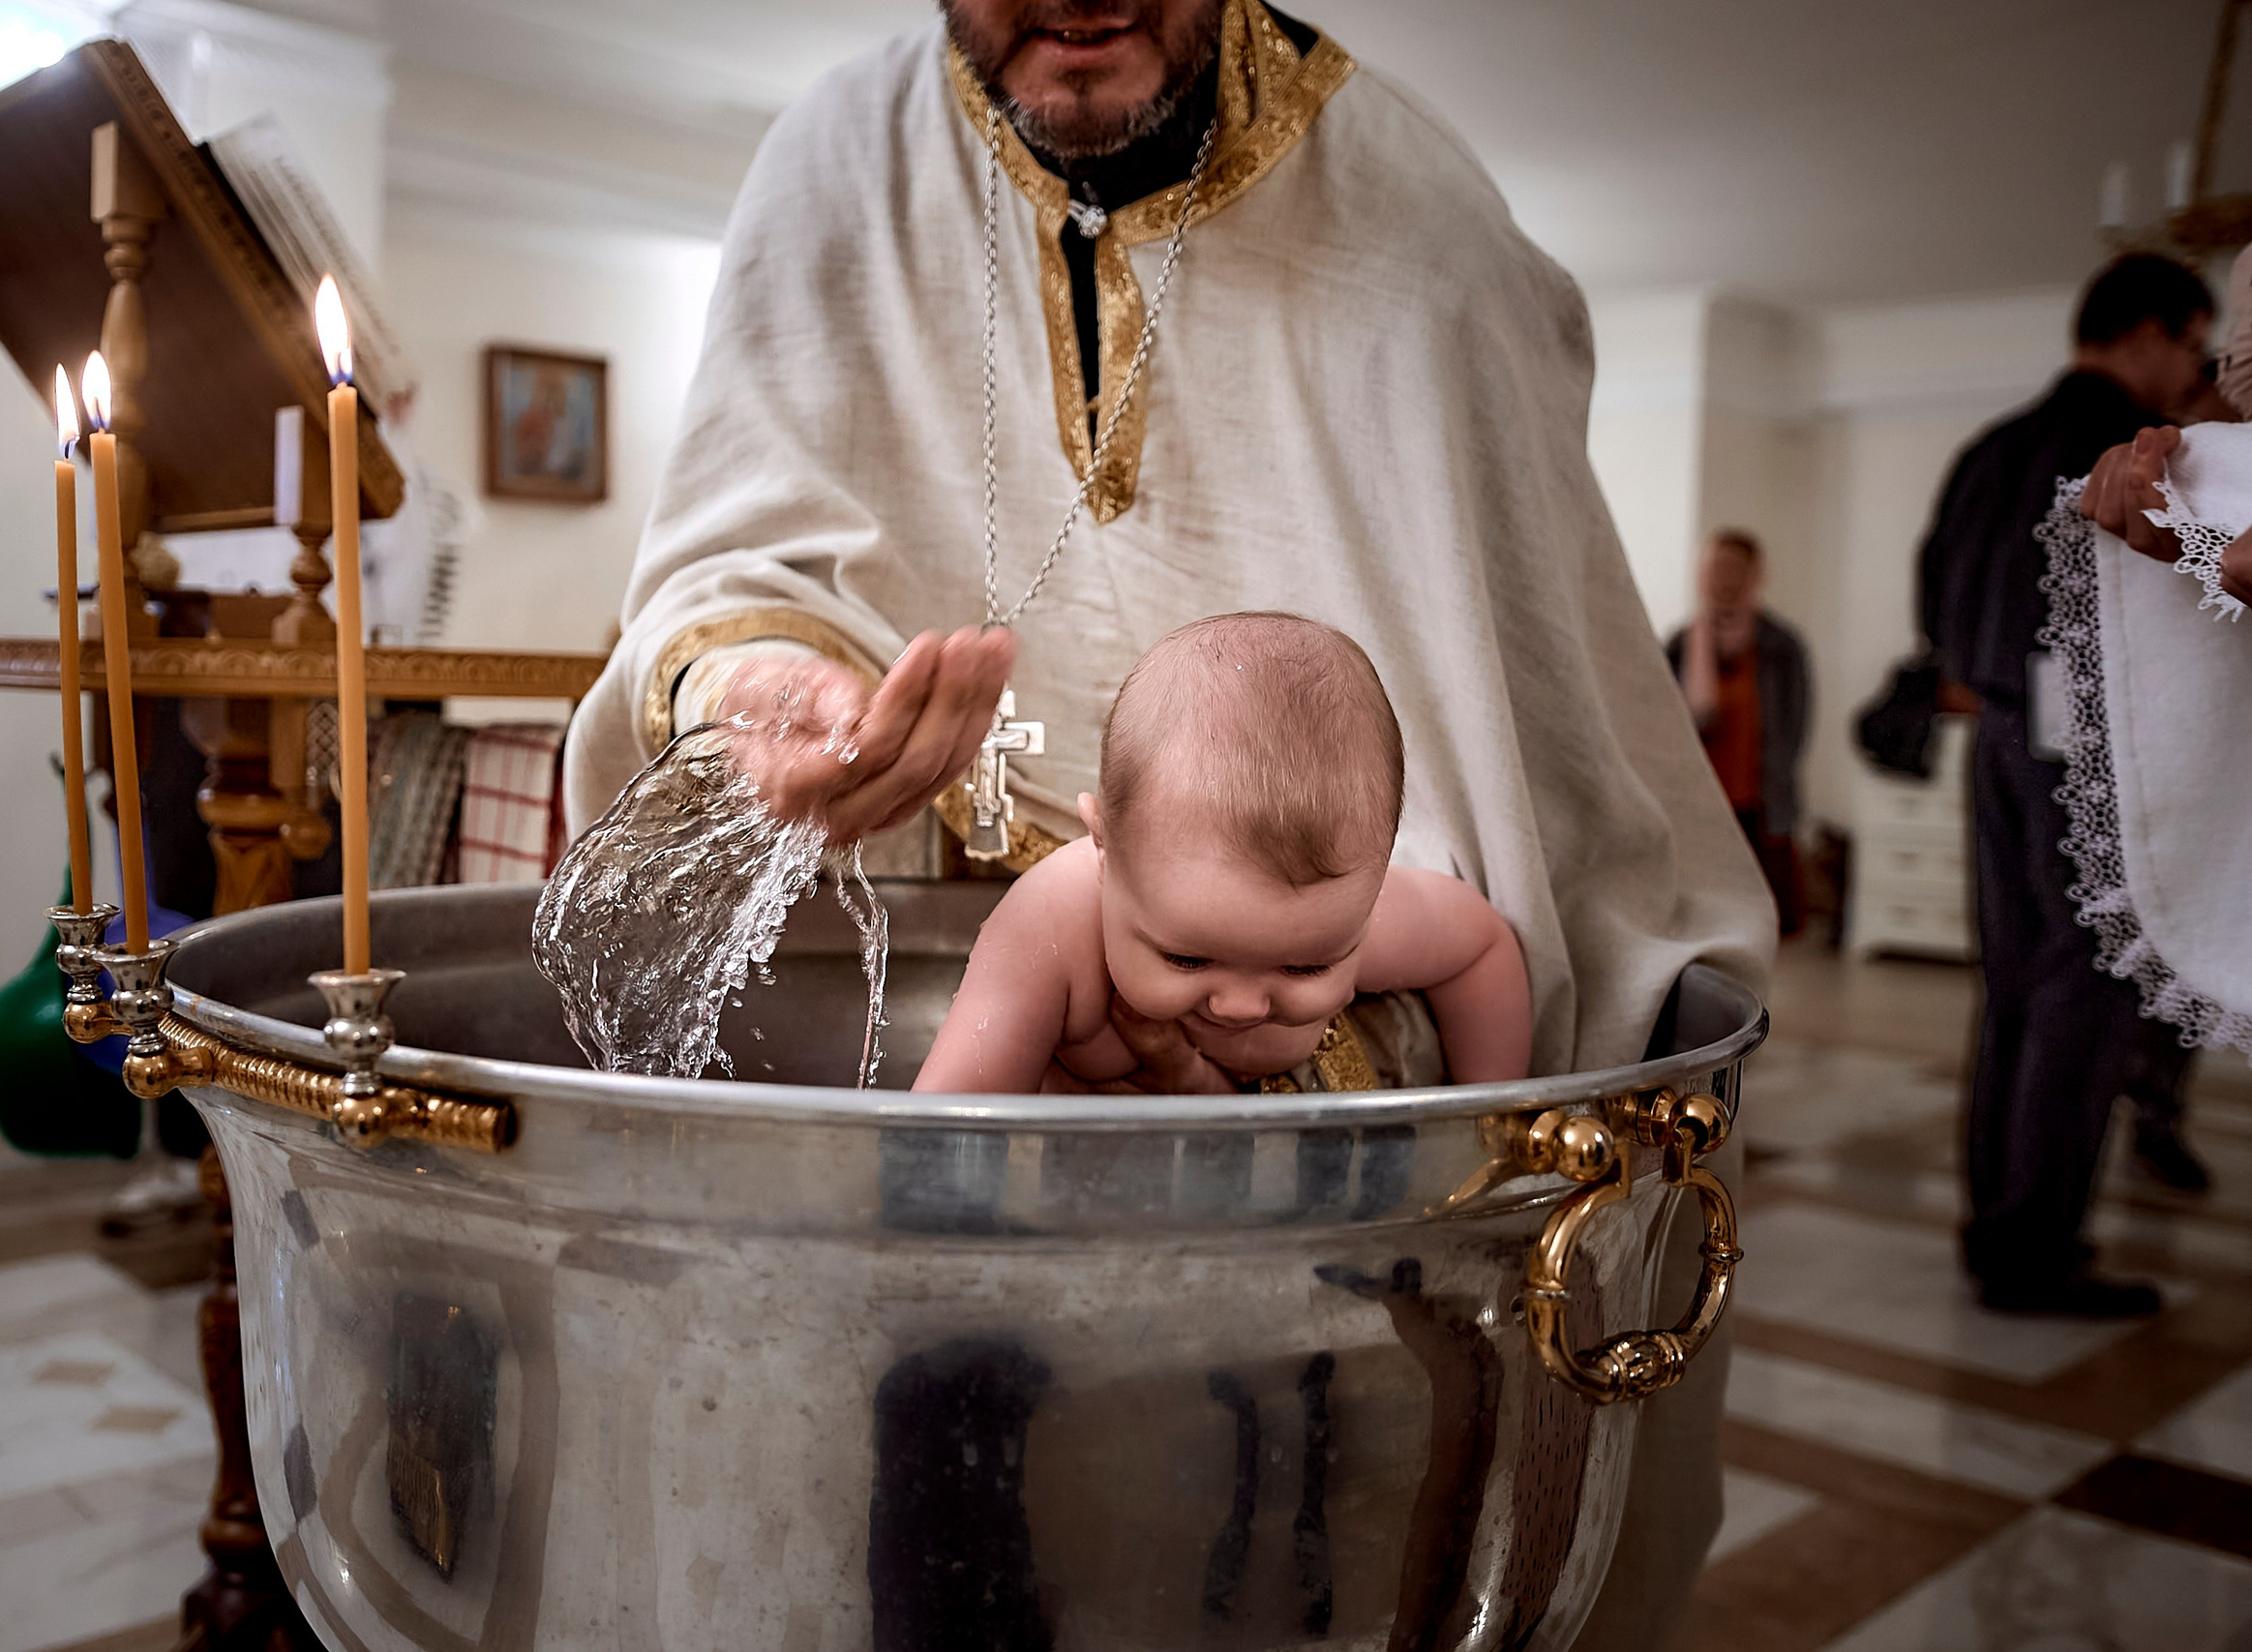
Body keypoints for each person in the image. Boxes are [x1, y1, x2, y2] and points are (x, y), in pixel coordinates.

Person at [565, 2, 1774, 1640]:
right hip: (952, 1021)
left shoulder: (1415, 225)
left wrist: (1432, 1095)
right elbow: (926, 1149)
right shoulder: (840, 166)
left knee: (1316, 1528)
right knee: (952, 1475)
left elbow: (1523, 793)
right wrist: (763, 686)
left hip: (1333, 1198)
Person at [1914, 252, 2212, 1316]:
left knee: (2013, 989)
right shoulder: (2135, 452)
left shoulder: (1988, 448)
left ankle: (1999, 1231)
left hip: (1995, 738)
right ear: (2145, 333)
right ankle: (2031, 1252)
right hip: (2087, 746)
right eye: (2192, 343)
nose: (2195, 369)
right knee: (2082, 994)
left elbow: (1935, 596)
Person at [916, 614, 1531, 1094]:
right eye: (1186, 958)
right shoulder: (1047, 929)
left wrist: (1493, 1124)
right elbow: (940, 1133)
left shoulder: (1341, 911)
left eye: (1304, 968)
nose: (1241, 1006)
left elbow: (1480, 948)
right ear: (1104, 847)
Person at [1665, 531, 1811, 934]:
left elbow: (1796, 727)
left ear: (1754, 575)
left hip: (1759, 803)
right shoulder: (1681, 645)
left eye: (1733, 569)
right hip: (1698, 802)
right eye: (1714, 568)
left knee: (1768, 920)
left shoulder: (1782, 647)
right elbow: (1665, 723)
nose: (1723, 579)